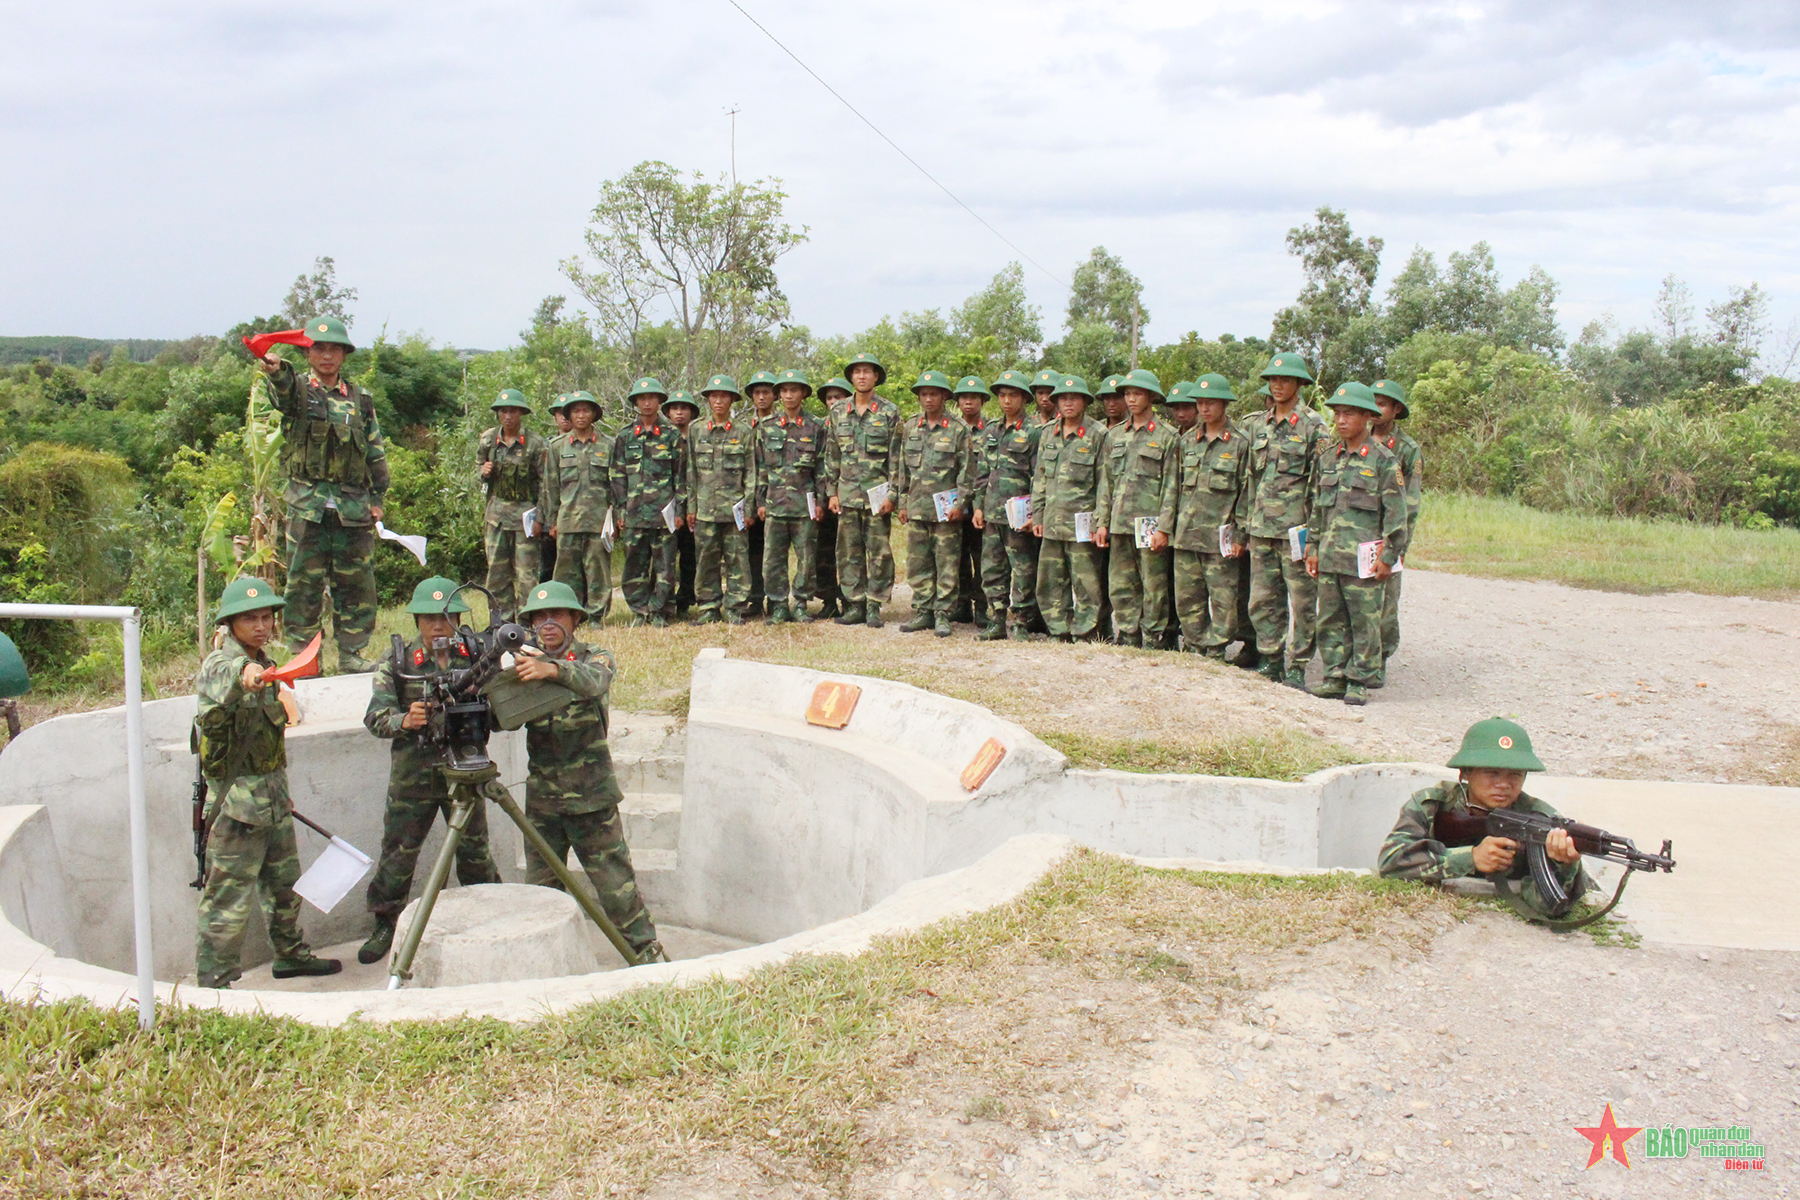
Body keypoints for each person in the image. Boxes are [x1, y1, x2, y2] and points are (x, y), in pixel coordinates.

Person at [191, 577, 340, 988]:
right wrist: (252, 672)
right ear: (229, 624)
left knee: (284, 888)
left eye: (265, 617)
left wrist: (283, 793)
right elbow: (237, 673)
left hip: (272, 799)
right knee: (227, 900)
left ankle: (291, 956)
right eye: (249, 618)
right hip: (235, 806)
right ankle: (214, 979)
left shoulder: (268, 661)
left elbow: (267, 739)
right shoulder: (221, 663)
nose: (260, 625)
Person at [513, 581, 666, 962]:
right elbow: (504, 719)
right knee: (541, 891)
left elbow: (594, 682)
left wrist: (551, 670)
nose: (548, 624)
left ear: (575, 619)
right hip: (544, 800)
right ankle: (544, 962)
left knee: (616, 888)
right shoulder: (524, 664)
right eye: (539, 617)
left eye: (557, 615)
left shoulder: (595, 657)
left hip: (591, 798)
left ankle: (646, 954)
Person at [359, 577, 502, 964]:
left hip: (464, 767)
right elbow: (375, 717)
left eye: (446, 616)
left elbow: (500, 704)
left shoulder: (474, 655)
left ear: (456, 618)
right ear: (416, 621)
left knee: (474, 850)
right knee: (399, 852)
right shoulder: (399, 662)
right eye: (429, 618)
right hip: (414, 775)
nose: (438, 626)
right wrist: (405, 720)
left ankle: (489, 912)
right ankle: (386, 923)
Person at [254, 316, 388, 671]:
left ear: (344, 355)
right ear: (308, 352)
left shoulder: (361, 399)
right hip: (307, 507)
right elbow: (281, 389)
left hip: (353, 509)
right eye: (319, 348)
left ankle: (352, 655)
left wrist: (378, 500)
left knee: (356, 585)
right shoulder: (297, 390)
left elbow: (374, 451)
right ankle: (304, 660)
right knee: (303, 587)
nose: (327, 355)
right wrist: (275, 369)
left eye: (334, 349)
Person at [1378, 717, 1588, 915]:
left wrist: (1566, 866)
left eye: (1515, 774)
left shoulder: (1542, 819)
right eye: (1492, 772)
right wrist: (1470, 858)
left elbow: (1545, 906)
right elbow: (1390, 862)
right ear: (1466, 773)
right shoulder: (1432, 805)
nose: (1504, 784)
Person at [1304, 383, 1408, 705]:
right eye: (1337, 413)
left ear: (1367, 416)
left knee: (1364, 621)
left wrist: (1388, 558)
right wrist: (1313, 547)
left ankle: (1359, 681)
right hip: (1332, 555)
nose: (1341, 419)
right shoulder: (1327, 458)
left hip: (1364, 560)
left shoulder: (1384, 461)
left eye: (1348, 413)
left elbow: (1396, 516)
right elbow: (1317, 509)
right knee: (1329, 619)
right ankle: (1334, 676)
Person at [1244, 351, 1327, 688]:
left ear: (1299, 383)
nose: (1278, 385)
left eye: (1285, 379)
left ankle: (1299, 665)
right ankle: (1270, 658)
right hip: (1262, 527)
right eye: (1273, 380)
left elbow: (1320, 485)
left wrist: (1315, 537)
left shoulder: (1313, 425)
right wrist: (1246, 523)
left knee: (1303, 600)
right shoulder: (1258, 425)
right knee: (1263, 598)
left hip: (1297, 529)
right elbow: (1251, 478)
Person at [1159, 374, 1250, 657]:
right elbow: (1171, 488)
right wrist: (1164, 527)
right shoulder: (1186, 441)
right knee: (1188, 596)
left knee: (1223, 597)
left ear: (1224, 404)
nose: (1204, 408)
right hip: (1187, 533)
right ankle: (1195, 643)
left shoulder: (1240, 444)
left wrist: (1241, 534)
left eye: (1210, 402)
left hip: (1220, 537)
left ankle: (1216, 648)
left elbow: (1247, 493)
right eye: (1199, 402)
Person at [1095, 368, 1177, 649]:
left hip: (1150, 524)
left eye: (1137, 393)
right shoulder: (1115, 435)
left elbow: (1171, 487)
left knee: (1153, 585)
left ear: (1151, 396)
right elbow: (1106, 483)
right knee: (1121, 582)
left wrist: (1165, 527)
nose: (1131, 399)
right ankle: (1128, 632)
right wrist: (1102, 522)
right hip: (1119, 521)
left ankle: (1154, 636)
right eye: (1127, 393)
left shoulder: (1167, 436)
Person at [895, 371, 978, 637]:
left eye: (934, 393)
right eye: (924, 394)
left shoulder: (958, 429)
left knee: (947, 563)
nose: (928, 398)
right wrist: (902, 502)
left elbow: (968, 470)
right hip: (918, 508)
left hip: (946, 511)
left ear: (944, 396)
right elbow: (902, 470)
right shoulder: (910, 427)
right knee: (919, 563)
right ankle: (923, 610)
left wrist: (962, 503)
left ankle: (943, 613)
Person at [823, 352, 901, 628]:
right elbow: (832, 455)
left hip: (877, 495)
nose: (862, 376)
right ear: (851, 377)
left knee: (879, 551)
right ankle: (854, 603)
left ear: (876, 377)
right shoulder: (837, 411)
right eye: (857, 372)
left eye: (867, 371)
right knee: (848, 552)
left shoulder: (890, 412)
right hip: (846, 495)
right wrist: (832, 491)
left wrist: (893, 494)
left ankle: (874, 605)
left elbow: (896, 458)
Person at [1031, 376, 1108, 642]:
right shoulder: (1047, 433)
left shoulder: (1099, 435)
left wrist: (1101, 522)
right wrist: (1038, 514)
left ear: (1085, 402)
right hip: (1052, 520)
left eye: (1074, 398)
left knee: (1086, 583)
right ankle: (1058, 629)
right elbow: (1040, 478)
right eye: (1063, 398)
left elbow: (1104, 484)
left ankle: (1084, 631)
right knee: (1051, 581)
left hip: (1082, 523)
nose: (1068, 403)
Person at [974, 369, 1043, 641]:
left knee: (1024, 570)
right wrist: (978, 506)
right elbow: (982, 473)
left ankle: (1023, 622)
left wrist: (1037, 513)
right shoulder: (991, 430)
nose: (1006, 400)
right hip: (992, 513)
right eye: (1002, 395)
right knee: (992, 569)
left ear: (1024, 398)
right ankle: (997, 620)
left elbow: (1040, 476)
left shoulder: (1034, 431)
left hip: (1020, 517)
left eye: (1012, 395)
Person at [611, 376, 685, 626]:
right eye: (642, 398)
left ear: (659, 401)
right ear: (635, 402)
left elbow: (681, 475)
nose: (646, 402)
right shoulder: (625, 436)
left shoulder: (672, 435)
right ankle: (640, 610)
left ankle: (660, 610)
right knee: (635, 564)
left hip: (664, 513)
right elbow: (617, 475)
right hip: (634, 513)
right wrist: (620, 510)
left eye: (651, 398)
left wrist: (680, 510)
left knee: (665, 566)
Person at [685, 374, 758, 624]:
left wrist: (748, 508)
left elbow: (751, 473)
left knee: (738, 560)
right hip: (705, 510)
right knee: (706, 560)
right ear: (707, 400)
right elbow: (690, 472)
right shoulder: (696, 430)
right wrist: (691, 507)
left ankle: (735, 607)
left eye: (723, 396)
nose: (718, 401)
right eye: (713, 396)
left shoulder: (744, 432)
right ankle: (708, 606)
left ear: (732, 400)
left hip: (734, 510)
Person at [756, 368, 826, 623]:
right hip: (775, 504)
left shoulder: (816, 426)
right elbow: (761, 467)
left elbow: (821, 467)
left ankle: (800, 603)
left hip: (804, 504)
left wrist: (821, 501)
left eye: (793, 390)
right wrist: (760, 501)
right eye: (784, 390)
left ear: (803, 394)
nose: (788, 395)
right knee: (773, 558)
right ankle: (778, 605)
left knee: (806, 557)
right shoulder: (767, 426)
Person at [477, 388, 548, 616]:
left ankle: (528, 621)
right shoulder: (488, 440)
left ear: (521, 413)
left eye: (513, 411)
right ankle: (502, 622)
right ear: (498, 414)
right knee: (497, 574)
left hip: (525, 517)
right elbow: (476, 470)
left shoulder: (536, 444)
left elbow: (547, 484)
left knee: (527, 574)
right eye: (504, 411)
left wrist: (541, 518)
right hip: (496, 516)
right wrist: (483, 471)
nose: (508, 416)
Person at [545, 390, 614, 623]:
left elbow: (616, 485)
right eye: (576, 411)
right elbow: (551, 488)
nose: (581, 415)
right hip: (568, 520)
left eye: (586, 410)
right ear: (569, 415)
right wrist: (551, 521)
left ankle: (596, 616)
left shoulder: (608, 445)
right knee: (566, 573)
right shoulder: (557, 447)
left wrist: (617, 517)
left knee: (598, 572)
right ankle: (569, 614)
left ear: (594, 414)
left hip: (598, 520)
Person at [1371, 378, 1422, 686]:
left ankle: (1379, 659)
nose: (1376, 409)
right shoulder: (1356, 438)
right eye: (1373, 402)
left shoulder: (1407, 449)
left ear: (1396, 409)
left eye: (1382, 404)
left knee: (1386, 602)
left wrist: (1397, 548)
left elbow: (1411, 504)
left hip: (1388, 534)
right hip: (1355, 532)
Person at [951, 375, 993, 626]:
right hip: (954, 504)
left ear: (982, 401)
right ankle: (962, 604)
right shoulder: (950, 428)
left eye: (973, 397)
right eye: (964, 397)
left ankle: (982, 607)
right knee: (957, 557)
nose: (968, 402)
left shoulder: (991, 430)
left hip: (981, 504)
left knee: (982, 557)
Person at [812, 376, 854, 619]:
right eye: (829, 397)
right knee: (824, 552)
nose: (833, 401)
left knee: (849, 552)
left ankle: (851, 599)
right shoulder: (818, 426)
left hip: (847, 496)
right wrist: (820, 499)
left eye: (838, 396)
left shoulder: (851, 424)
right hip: (822, 498)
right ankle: (828, 600)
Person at [744, 370, 780, 617]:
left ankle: (776, 600)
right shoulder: (745, 427)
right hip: (748, 500)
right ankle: (755, 599)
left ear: (774, 396)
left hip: (774, 499)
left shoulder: (781, 424)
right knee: (752, 553)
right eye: (756, 393)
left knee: (775, 553)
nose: (761, 397)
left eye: (766, 392)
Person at [663, 391, 702, 617]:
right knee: (666, 558)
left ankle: (686, 600)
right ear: (667, 412)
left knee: (690, 556)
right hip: (666, 507)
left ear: (692, 412)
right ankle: (664, 601)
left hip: (694, 506)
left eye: (684, 408)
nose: (679, 412)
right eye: (674, 408)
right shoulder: (663, 438)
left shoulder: (698, 437)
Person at [539, 394, 570, 583]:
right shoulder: (545, 446)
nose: (564, 417)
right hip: (549, 514)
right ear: (555, 417)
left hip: (575, 515)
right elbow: (543, 485)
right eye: (560, 413)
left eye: (568, 413)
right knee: (547, 566)